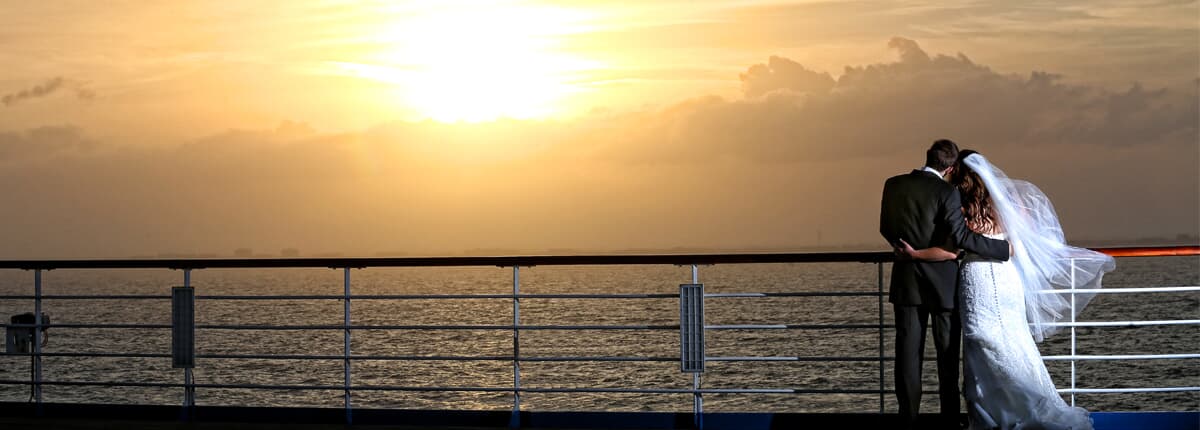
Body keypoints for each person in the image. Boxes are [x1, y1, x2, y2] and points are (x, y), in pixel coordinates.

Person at [898, 149, 1115, 429]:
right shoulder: (1008, 204)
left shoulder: (959, 208)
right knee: (1014, 340)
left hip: (977, 280)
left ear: (958, 175)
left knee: (981, 343)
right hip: (1006, 279)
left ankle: (993, 413)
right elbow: (1018, 244)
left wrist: (914, 255)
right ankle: (1031, 404)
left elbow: (949, 253)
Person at [880, 140, 1012, 430]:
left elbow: (885, 228)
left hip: (906, 282)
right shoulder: (946, 192)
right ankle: (950, 420)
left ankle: (908, 421)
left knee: (907, 356)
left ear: (927, 157)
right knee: (947, 357)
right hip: (943, 284)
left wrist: (904, 250)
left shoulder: (892, 185)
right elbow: (961, 238)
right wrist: (1003, 249)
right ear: (950, 167)